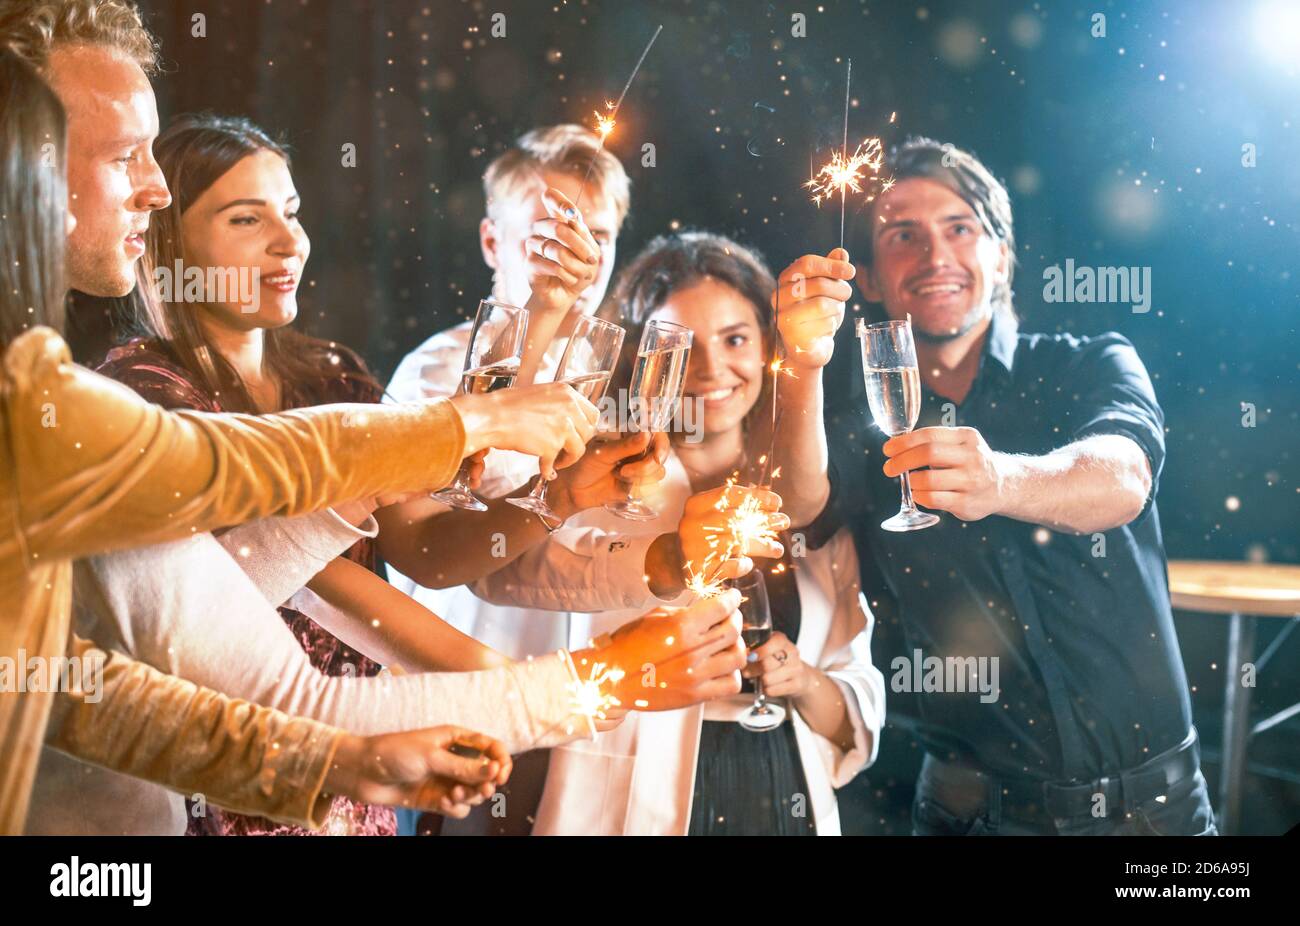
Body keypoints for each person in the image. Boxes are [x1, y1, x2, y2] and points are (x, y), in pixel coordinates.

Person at [0, 0, 751, 835]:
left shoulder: (325, 376)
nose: (154, 186)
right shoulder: (109, 395)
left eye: (291, 212)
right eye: (124, 156)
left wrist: (557, 498)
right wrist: (589, 684)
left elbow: (92, 695)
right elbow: (250, 504)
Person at [774, 136, 1215, 836]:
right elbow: (793, 513)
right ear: (868, 279)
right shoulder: (854, 427)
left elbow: (1125, 480)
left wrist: (1002, 480)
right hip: (969, 818)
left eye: (960, 229)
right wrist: (800, 364)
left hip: (1156, 817)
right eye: (902, 236)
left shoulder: (1091, 364)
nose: (935, 257)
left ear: (1001, 256)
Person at [465, 233, 884, 835]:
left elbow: (860, 705)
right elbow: (495, 574)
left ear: (770, 344)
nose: (712, 370)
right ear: (642, 358)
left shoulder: (809, 492)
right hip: (625, 799)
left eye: (736, 338)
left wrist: (806, 682)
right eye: (682, 346)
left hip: (781, 791)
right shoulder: (591, 477)